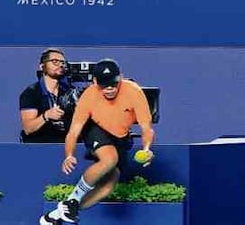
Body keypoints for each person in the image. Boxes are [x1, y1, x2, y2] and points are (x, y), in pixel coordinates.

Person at [40, 58, 154, 225]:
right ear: (95, 82)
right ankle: (72, 200)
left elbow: (146, 128)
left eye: (114, 84)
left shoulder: (134, 91)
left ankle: (58, 214)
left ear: (120, 77)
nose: (109, 88)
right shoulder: (89, 96)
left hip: (120, 137)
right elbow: (74, 131)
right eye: (104, 84)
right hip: (96, 129)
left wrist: (147, 149)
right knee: (110, 159)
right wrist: (69, 155)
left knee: (107, 187)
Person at [19, 48, 77, 144]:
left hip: (65, 146)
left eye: (63, 62)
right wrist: (46, 116)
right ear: (42, 66)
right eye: (55, 61)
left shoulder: (70, 91)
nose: (60, 65)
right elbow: (28, 128)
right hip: (40, 147)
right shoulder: (31, 93)